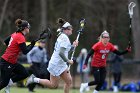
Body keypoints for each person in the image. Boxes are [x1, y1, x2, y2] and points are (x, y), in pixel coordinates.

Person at [26, 18, 78, 93]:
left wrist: (73, 46)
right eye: (70, 29)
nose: (72, 30)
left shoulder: (62, 36)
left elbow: (66, 50)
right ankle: (34, 79)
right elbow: (61, 53)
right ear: (66, 30)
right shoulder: (64, 38)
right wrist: (68, 61)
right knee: (53, 85)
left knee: (69, 81)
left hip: (62, 64)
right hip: (56, 64)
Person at [0, 19, 36, 93]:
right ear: (25, 28)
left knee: (24, 74)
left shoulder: (15, 34)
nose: (29, 28)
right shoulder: (20, 37)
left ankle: (9, 82)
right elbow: (25, 51)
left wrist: (15, 48)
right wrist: (32, 45)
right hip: (7, 62)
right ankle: (7, 83)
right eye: (28, 27)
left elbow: (5, 42)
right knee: (3, 83)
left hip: (12, 62)